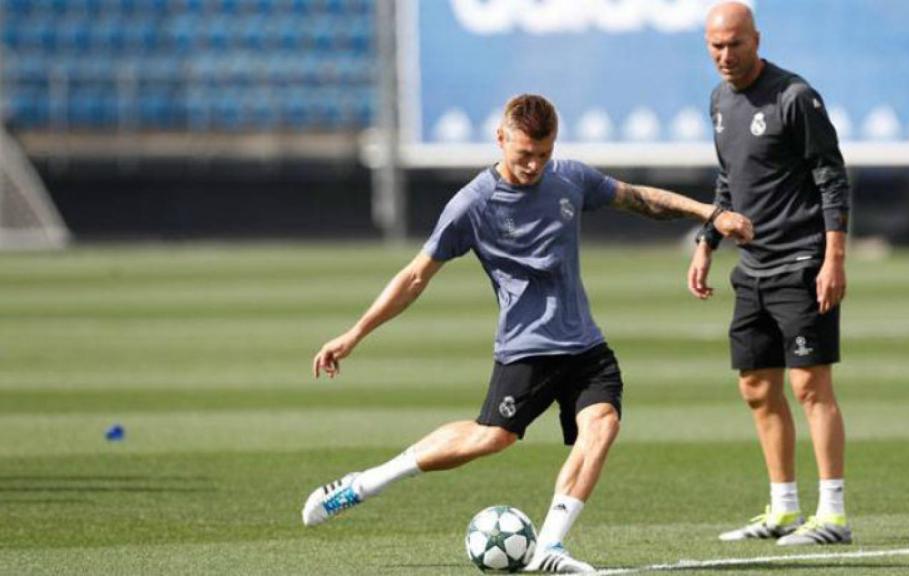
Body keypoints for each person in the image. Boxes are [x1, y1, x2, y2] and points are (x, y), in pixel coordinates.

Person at [303, 93, 754, 573]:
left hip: (585, 344)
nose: (534, 165)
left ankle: (550, 548)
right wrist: (353, 335)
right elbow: (415, 277)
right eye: (523, 155)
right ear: (501, 139)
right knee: (490, 438)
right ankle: (367, 482)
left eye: (543, 153)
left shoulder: (569, 178)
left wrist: (710, 213)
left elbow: (639, 199)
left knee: (601, 425)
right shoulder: (472, 205)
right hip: (528, 348)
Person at [688, 2, 853, 546]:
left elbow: (831, 178)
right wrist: (707, 242)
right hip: (751, 268)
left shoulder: (795, 97)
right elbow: (728, 181)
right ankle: (783, 508)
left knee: (810, 385)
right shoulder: (718, 100)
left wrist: (834, 259)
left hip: (802, 262)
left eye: (734, 43)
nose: (724, 55)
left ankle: (832, 515)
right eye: (715, 45)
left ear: (756, 39)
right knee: (757, 387)